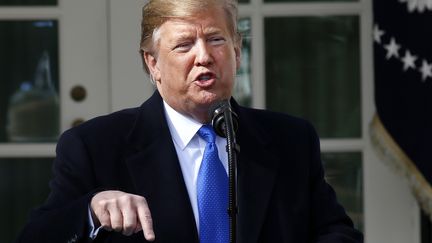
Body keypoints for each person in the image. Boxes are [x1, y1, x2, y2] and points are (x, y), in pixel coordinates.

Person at [16, 0, 363, 242]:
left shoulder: (291, 140)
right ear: (152, 63)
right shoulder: (95, 146)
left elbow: (337, 232)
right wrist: (90, 211)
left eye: (216, 40)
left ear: (237, 51)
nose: (204, 57)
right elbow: (38, 235)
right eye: (183, 45)